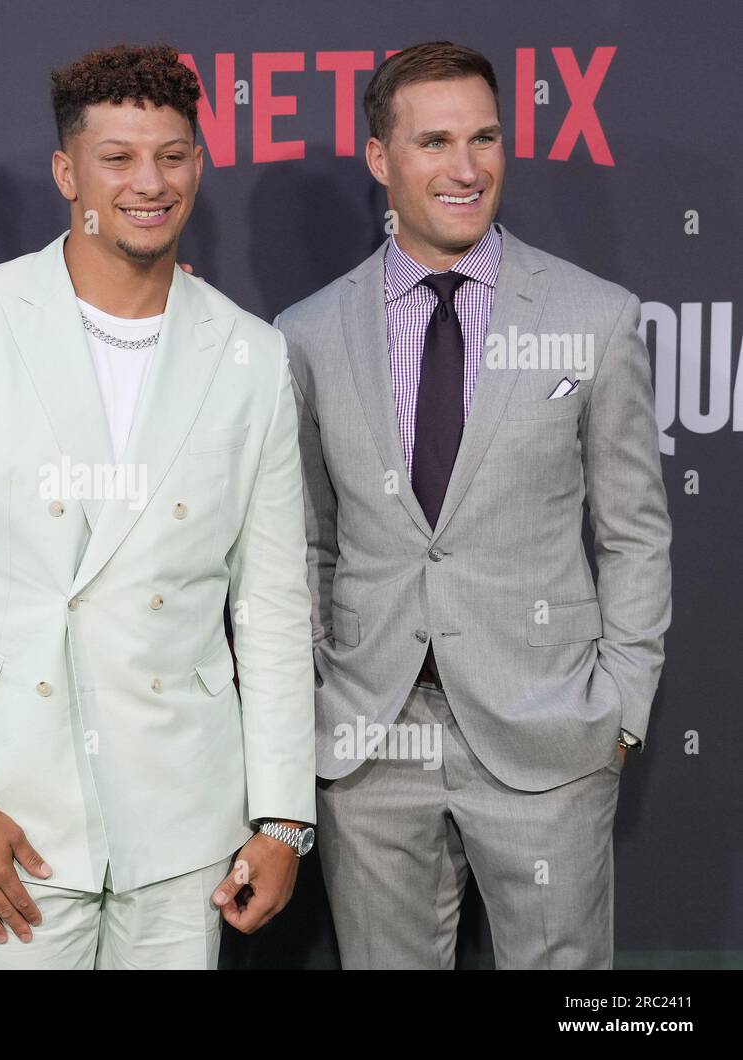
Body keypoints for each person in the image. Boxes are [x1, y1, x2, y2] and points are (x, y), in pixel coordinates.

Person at [0, 43, 316, 970]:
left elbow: (271, 602)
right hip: (11, 817)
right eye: (118, 158)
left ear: (199, 162)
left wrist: (282, 819)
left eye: (172, 155)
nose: (149, 183)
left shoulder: (250, 355)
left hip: (183, 818)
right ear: (68, 171)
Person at [275, 40, 672, 969]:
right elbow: (306, 547)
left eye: (485, 138)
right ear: (381, 158)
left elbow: (635, 534)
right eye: (435, 141)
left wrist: (618, 711)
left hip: (548, 736)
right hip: (372, 742)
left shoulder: (592, 316)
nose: (466, 168)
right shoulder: (310, 333)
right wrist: (317, 700)